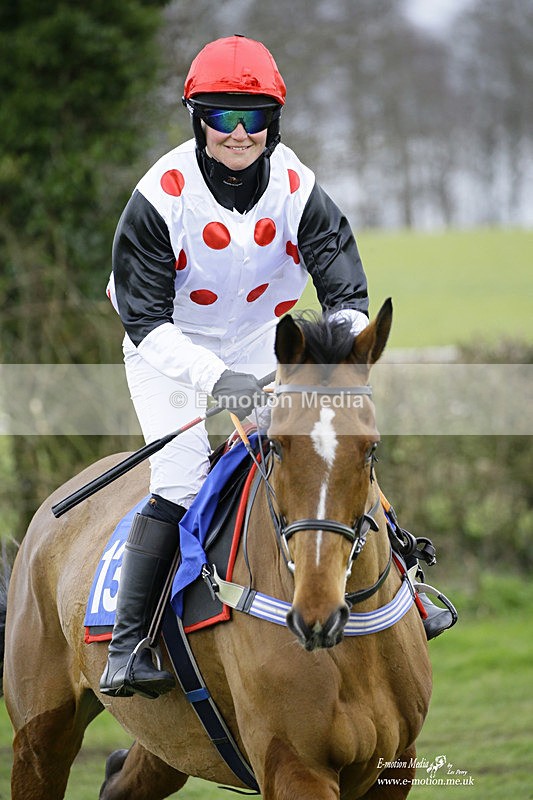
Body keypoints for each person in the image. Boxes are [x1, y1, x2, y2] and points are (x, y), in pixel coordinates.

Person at [100, 35, 454, 700]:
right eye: (222, 116)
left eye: (253, 117)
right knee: (181, 477)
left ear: (273, 123)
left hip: (270, 343)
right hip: (168, 348)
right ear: (197, 117)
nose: (239, 133)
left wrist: (346, 361)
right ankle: (129, 644)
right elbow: (145, 322)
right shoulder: (159, 197)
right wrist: (217, 381)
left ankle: (407, 583)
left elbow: (346, 295)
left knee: (335, 443)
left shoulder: (298, 187)